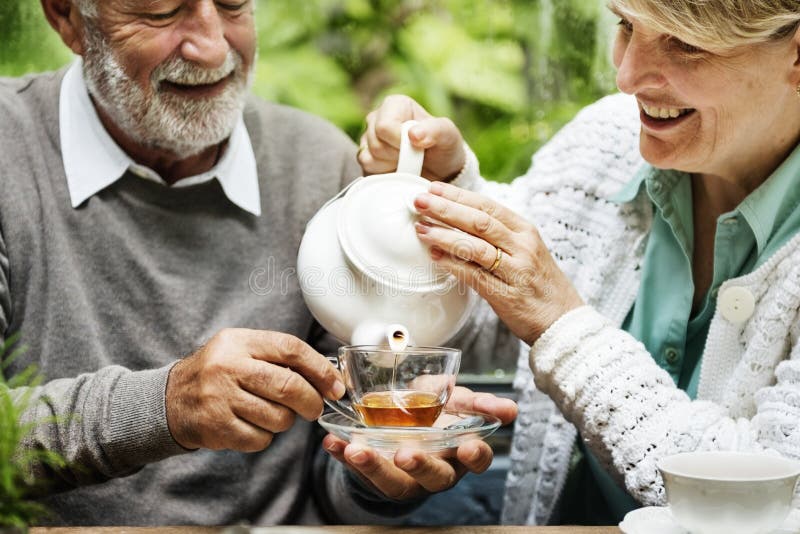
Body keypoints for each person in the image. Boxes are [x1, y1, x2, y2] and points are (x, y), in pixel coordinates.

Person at [0, 0, 517, 526]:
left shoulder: (318, 167)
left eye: (232, 5)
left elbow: (330, 475)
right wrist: (163, 407)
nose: (213, 47)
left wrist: (377, 468)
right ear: (66, 17)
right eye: (161, 11)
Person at [359, 0, 800, 525]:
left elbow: (767, 499)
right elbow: (493, 324)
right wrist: (445, 192)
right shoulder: (609, 140)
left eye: (684, 43)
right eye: (626, 27)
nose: (627, 75)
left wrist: (562, 327)